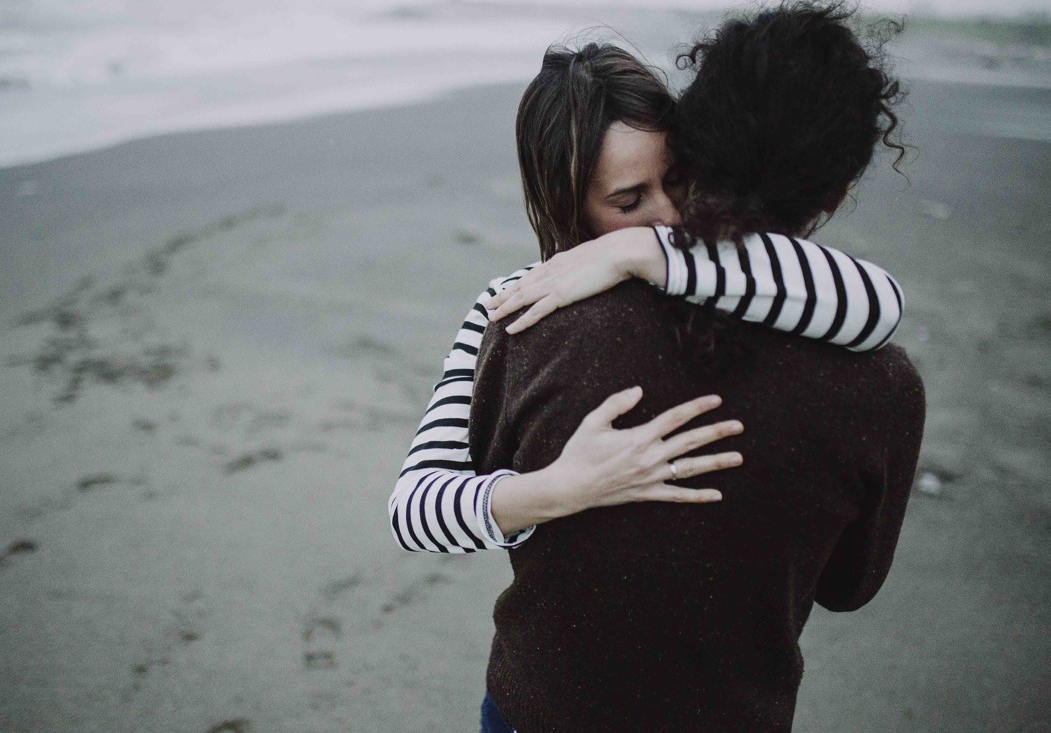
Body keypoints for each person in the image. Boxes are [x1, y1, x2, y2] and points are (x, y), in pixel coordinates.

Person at [469, 2, 925, 731]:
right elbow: (847, 586)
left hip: (540, 707)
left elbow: (474, 473)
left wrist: (630, 250)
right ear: (837, 191)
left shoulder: (537, 317)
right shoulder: (883, 384)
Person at [388, 41, 905, 555]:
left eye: (678, 180)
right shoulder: (515, 299)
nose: (669, 217)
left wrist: (637, 250)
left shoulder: (741, 268)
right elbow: (412, 509)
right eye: (629, 201)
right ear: (566, 203)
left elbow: (877, 304)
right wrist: (560, 489)